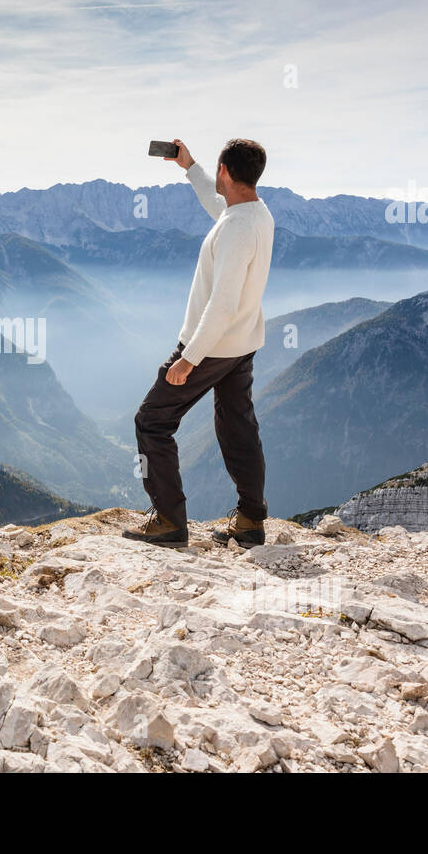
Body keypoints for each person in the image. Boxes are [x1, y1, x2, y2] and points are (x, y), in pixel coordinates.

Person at [123, 138, 274, 548]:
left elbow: (221, 304)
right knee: (238, 426)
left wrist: (188, 359)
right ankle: (249, 521)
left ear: (226, 171)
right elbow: (220, 206)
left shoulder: (237, 228)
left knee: (152, 421)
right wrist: (189, 167)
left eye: (217, 172)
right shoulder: (254, 214)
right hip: (242, 343)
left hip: (211, 344)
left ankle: (170, 520)